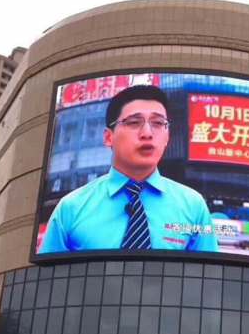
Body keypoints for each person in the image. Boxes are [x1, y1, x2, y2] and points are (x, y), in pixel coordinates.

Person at [39, 85, 219, 253]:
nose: (147, 133)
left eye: (157, 123)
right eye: (134, 122)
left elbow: (208, 279)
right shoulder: (70, 208)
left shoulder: (193, 206)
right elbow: (48, 281)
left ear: (167, 137)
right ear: (109, 137)